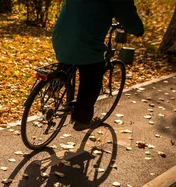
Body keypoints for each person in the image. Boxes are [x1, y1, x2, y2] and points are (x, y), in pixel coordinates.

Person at [52, 0, 144, 130]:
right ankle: (82, 119)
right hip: (85, 41)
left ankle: (55, 82)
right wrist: (138, 30)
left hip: (60, 34)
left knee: (70, 57)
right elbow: (126, 13)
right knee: (93, 76)